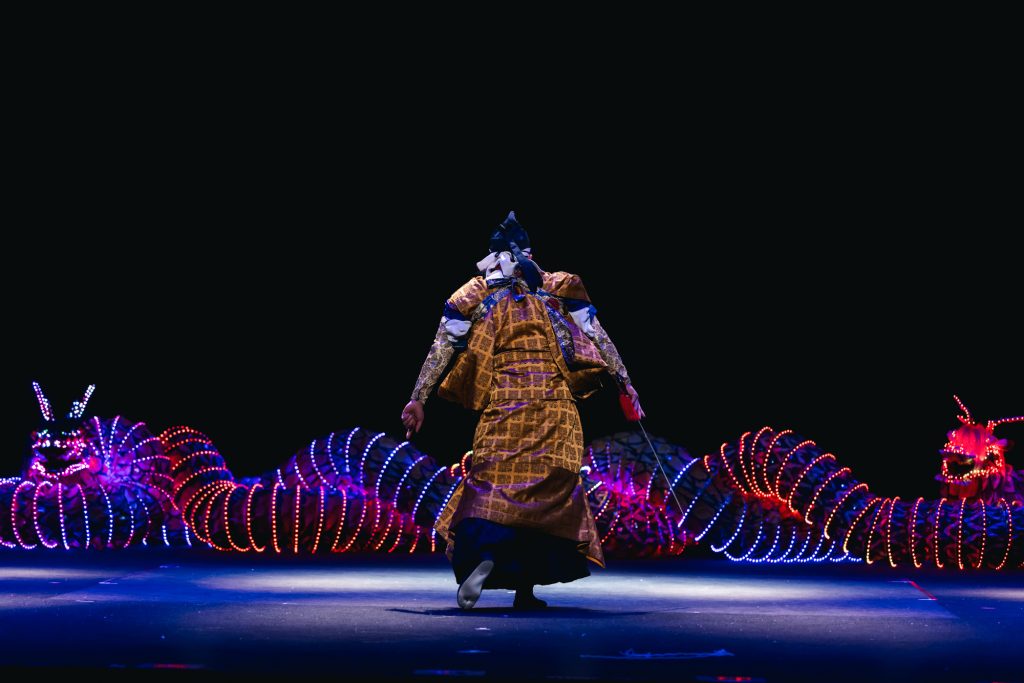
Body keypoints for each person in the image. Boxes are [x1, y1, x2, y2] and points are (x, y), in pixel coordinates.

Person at [401, 211, 643, 610]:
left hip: (506, 405)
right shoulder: (557, 286)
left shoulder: (476, 293)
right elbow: (596, 334)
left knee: (492, 487)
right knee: (546, 496)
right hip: (554, 409)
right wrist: (624, 381)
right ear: (529, 252)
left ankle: (486, 557)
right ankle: (524, 589)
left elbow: (442, 346)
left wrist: (418, 397)